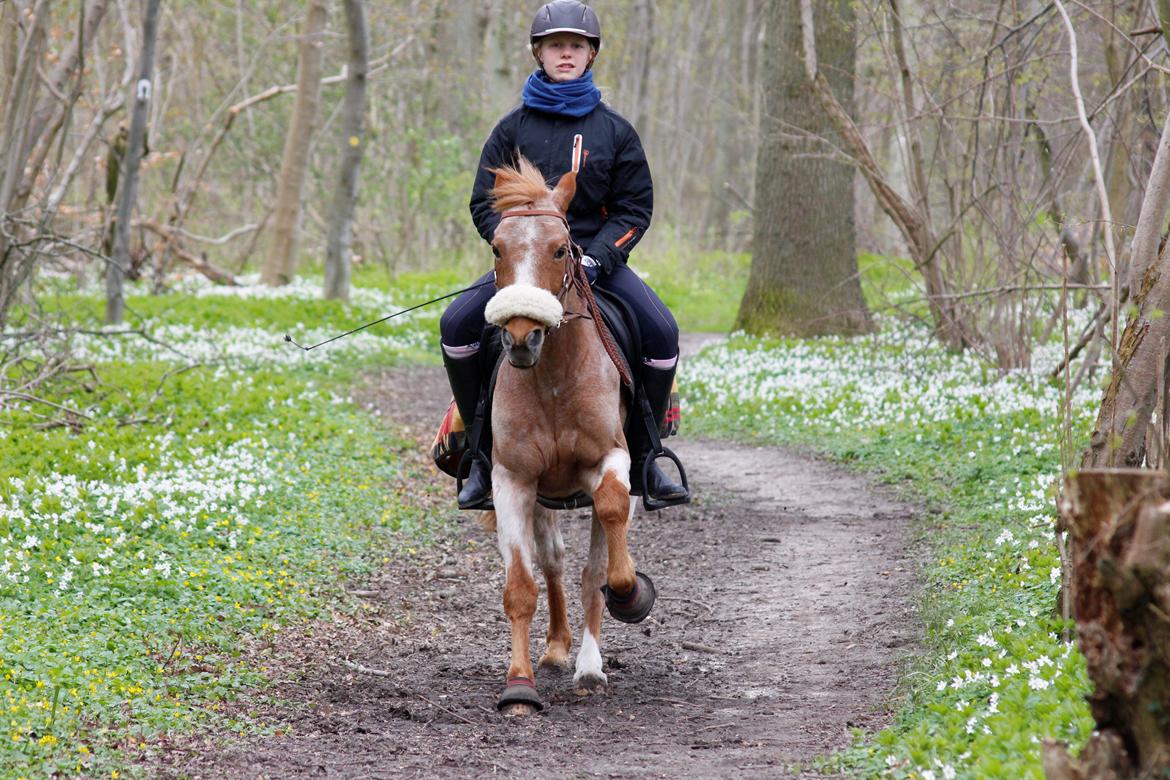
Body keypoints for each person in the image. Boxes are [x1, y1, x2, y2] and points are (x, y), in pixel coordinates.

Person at [440, 0, 686, 510]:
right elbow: (482, 203)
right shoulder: (510, 129)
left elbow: (635, 209)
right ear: (539, 52)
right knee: (456, 327)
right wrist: (512, 252)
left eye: (576, 45)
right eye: (556, 46)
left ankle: (645, 458)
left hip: (595, 263)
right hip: (525, 268)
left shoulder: (615, 131)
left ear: (591, 54)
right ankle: (481, 459)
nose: (566, 53)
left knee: (662, 335)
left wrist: (596, 259)